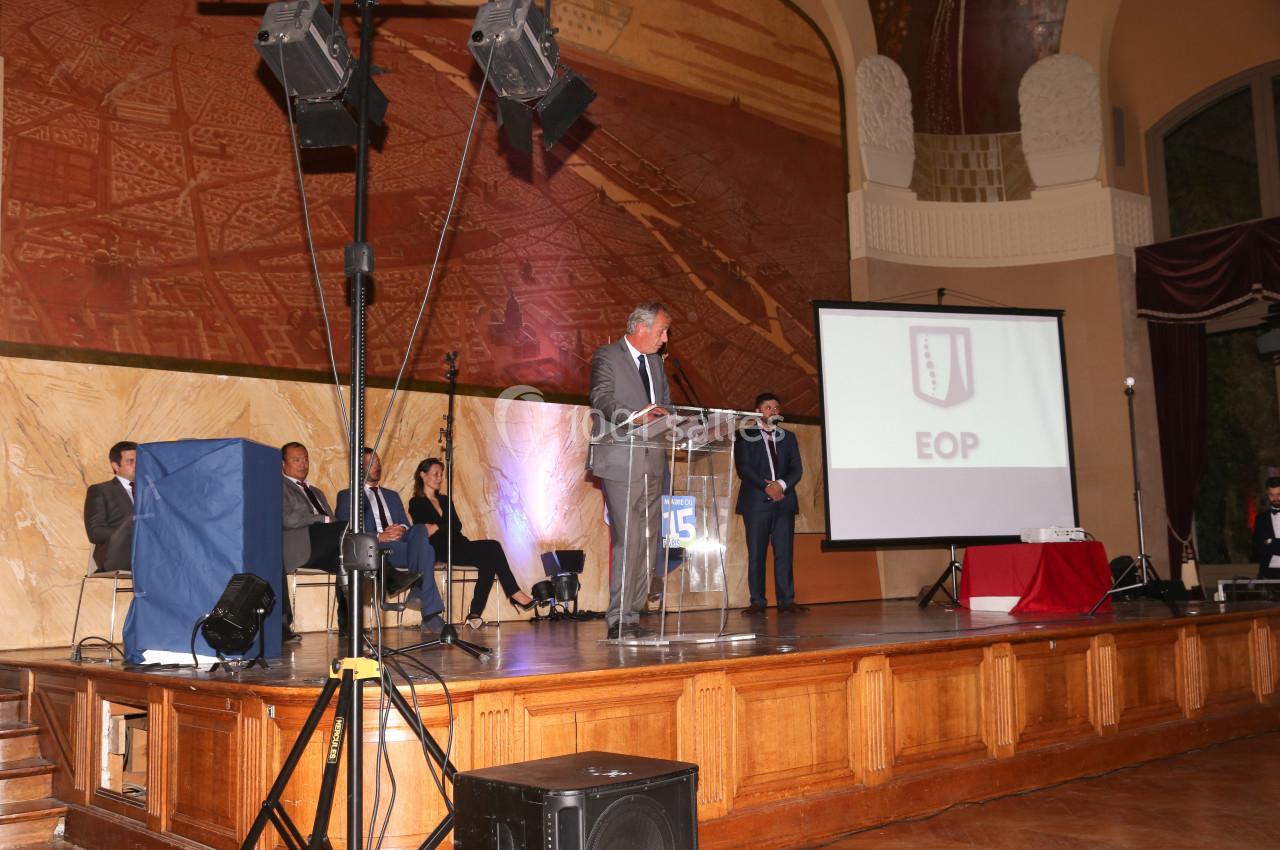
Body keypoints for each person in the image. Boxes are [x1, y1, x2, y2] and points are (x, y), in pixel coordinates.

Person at [588, 302, 673, 639]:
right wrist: (632, 416)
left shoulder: (655, 363)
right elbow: (601, 396)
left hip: (653, 459)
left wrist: (678, 420)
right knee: (629, 538)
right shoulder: (608, 355)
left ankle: (634, 615)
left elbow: (664, 404)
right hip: (621, 458)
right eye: (662, 331)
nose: (665, 338)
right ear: (641, 328)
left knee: (649, 540)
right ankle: (619, 618)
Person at [408, 458, 535, 628]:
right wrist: (443, 526)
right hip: (439, 549)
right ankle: (513, 593)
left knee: (489, 559)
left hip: (459, 544)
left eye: (441, 474)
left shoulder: (445, 500)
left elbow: (457, 525)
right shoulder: (415, 503)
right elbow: (427, 530)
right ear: (422, 475)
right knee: (493, 546)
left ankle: (475, 613)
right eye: (435, 474)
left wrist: (437, 526)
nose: (439, 478)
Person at [335, 448, 445, 631]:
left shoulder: (392, 495)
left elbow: (405, 524)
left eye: (378, 461)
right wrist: (379, 536)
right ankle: (429, 612)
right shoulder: (348, 495)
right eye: (372, 463)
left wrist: (401, 530)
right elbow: (346, 528)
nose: (377, 466)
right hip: (376, 548)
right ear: (359, 467)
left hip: (402, 546)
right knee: (428, 551)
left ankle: (418, 589)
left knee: (419, 530)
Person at [735, 392, 806, 615]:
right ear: (757, 411)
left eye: (776, 408)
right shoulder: (745, 435)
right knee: (756, 553)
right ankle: (757, 601)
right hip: (756, 502)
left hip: (784, 502)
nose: (773, 411)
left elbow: (797, 469)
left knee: (784, 553)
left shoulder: (789, 437)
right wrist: (767, 486)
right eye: (768, 407)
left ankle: (787, 601)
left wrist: (781, 485)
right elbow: (744, 468)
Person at [281, 442, 354, 640]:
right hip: (300, 545)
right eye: (296, 460)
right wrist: (320, 519)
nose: (303, 464)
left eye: (305, 459)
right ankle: (388, 579)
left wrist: (329, 522)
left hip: (324, 544)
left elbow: (333, 522)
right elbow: (287, 519)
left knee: (351, 557)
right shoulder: (278, 486)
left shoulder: (317, 491)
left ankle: (348, 624)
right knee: (350, 531)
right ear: (283, 464)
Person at [84, 440, 137, 573]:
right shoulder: (100, 490)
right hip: (115, 554)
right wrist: (134, 533)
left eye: (140, 461)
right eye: (130, 461)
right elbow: (95, 533)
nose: (137, 465)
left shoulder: (151, 491)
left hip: (148, 551)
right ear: (115, 466)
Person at [1252, 476, 1280, 579]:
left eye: (1278, 495)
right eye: (1272, 495)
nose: (1275, 499)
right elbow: (1258, 548)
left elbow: (1267, 545)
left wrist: (1271, 542)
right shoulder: (1261, 519)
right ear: (1267, 495)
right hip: (1268, 573)